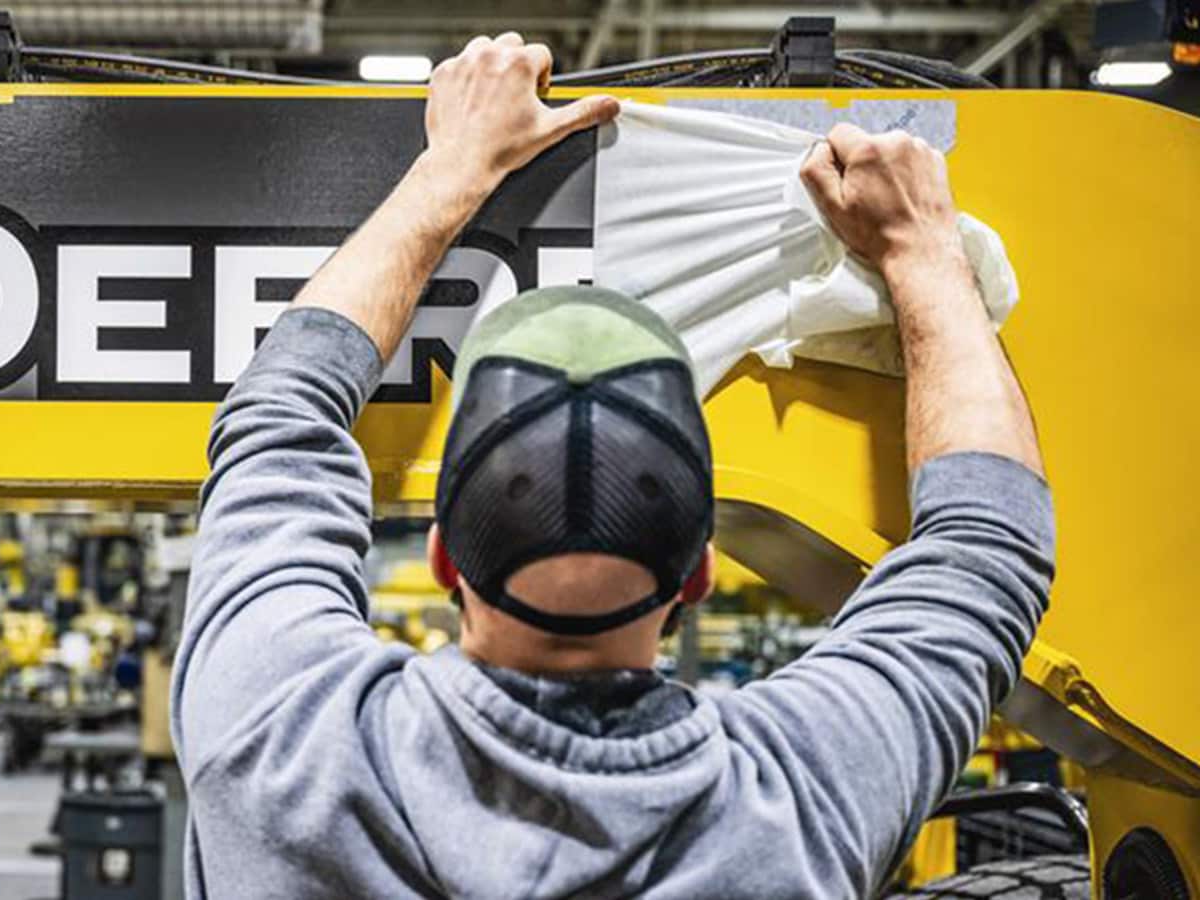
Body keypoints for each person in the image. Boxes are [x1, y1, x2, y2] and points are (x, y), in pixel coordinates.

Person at [171, 32, 1052, 900]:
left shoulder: (281, 741)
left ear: (442, 556)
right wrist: (923, 252)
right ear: (700, 571)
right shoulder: (791, 804)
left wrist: (455, 168)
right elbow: (987, 544)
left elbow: (281, 412)